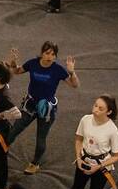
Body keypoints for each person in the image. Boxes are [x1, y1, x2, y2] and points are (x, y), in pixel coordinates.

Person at [6, 43, 79, 175]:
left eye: (53, 54)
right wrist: (13, 63)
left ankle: (35, 163)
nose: (49, 56)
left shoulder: (58, 70)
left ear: (55, 56)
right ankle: (1, 148)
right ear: (42, 52)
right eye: (47, 53)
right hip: (30, 104)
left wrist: (72, 72)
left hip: (46, 109)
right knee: (15, 128)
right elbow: (16, 71)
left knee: (41, 138)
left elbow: (75, 85)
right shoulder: (33, 63)